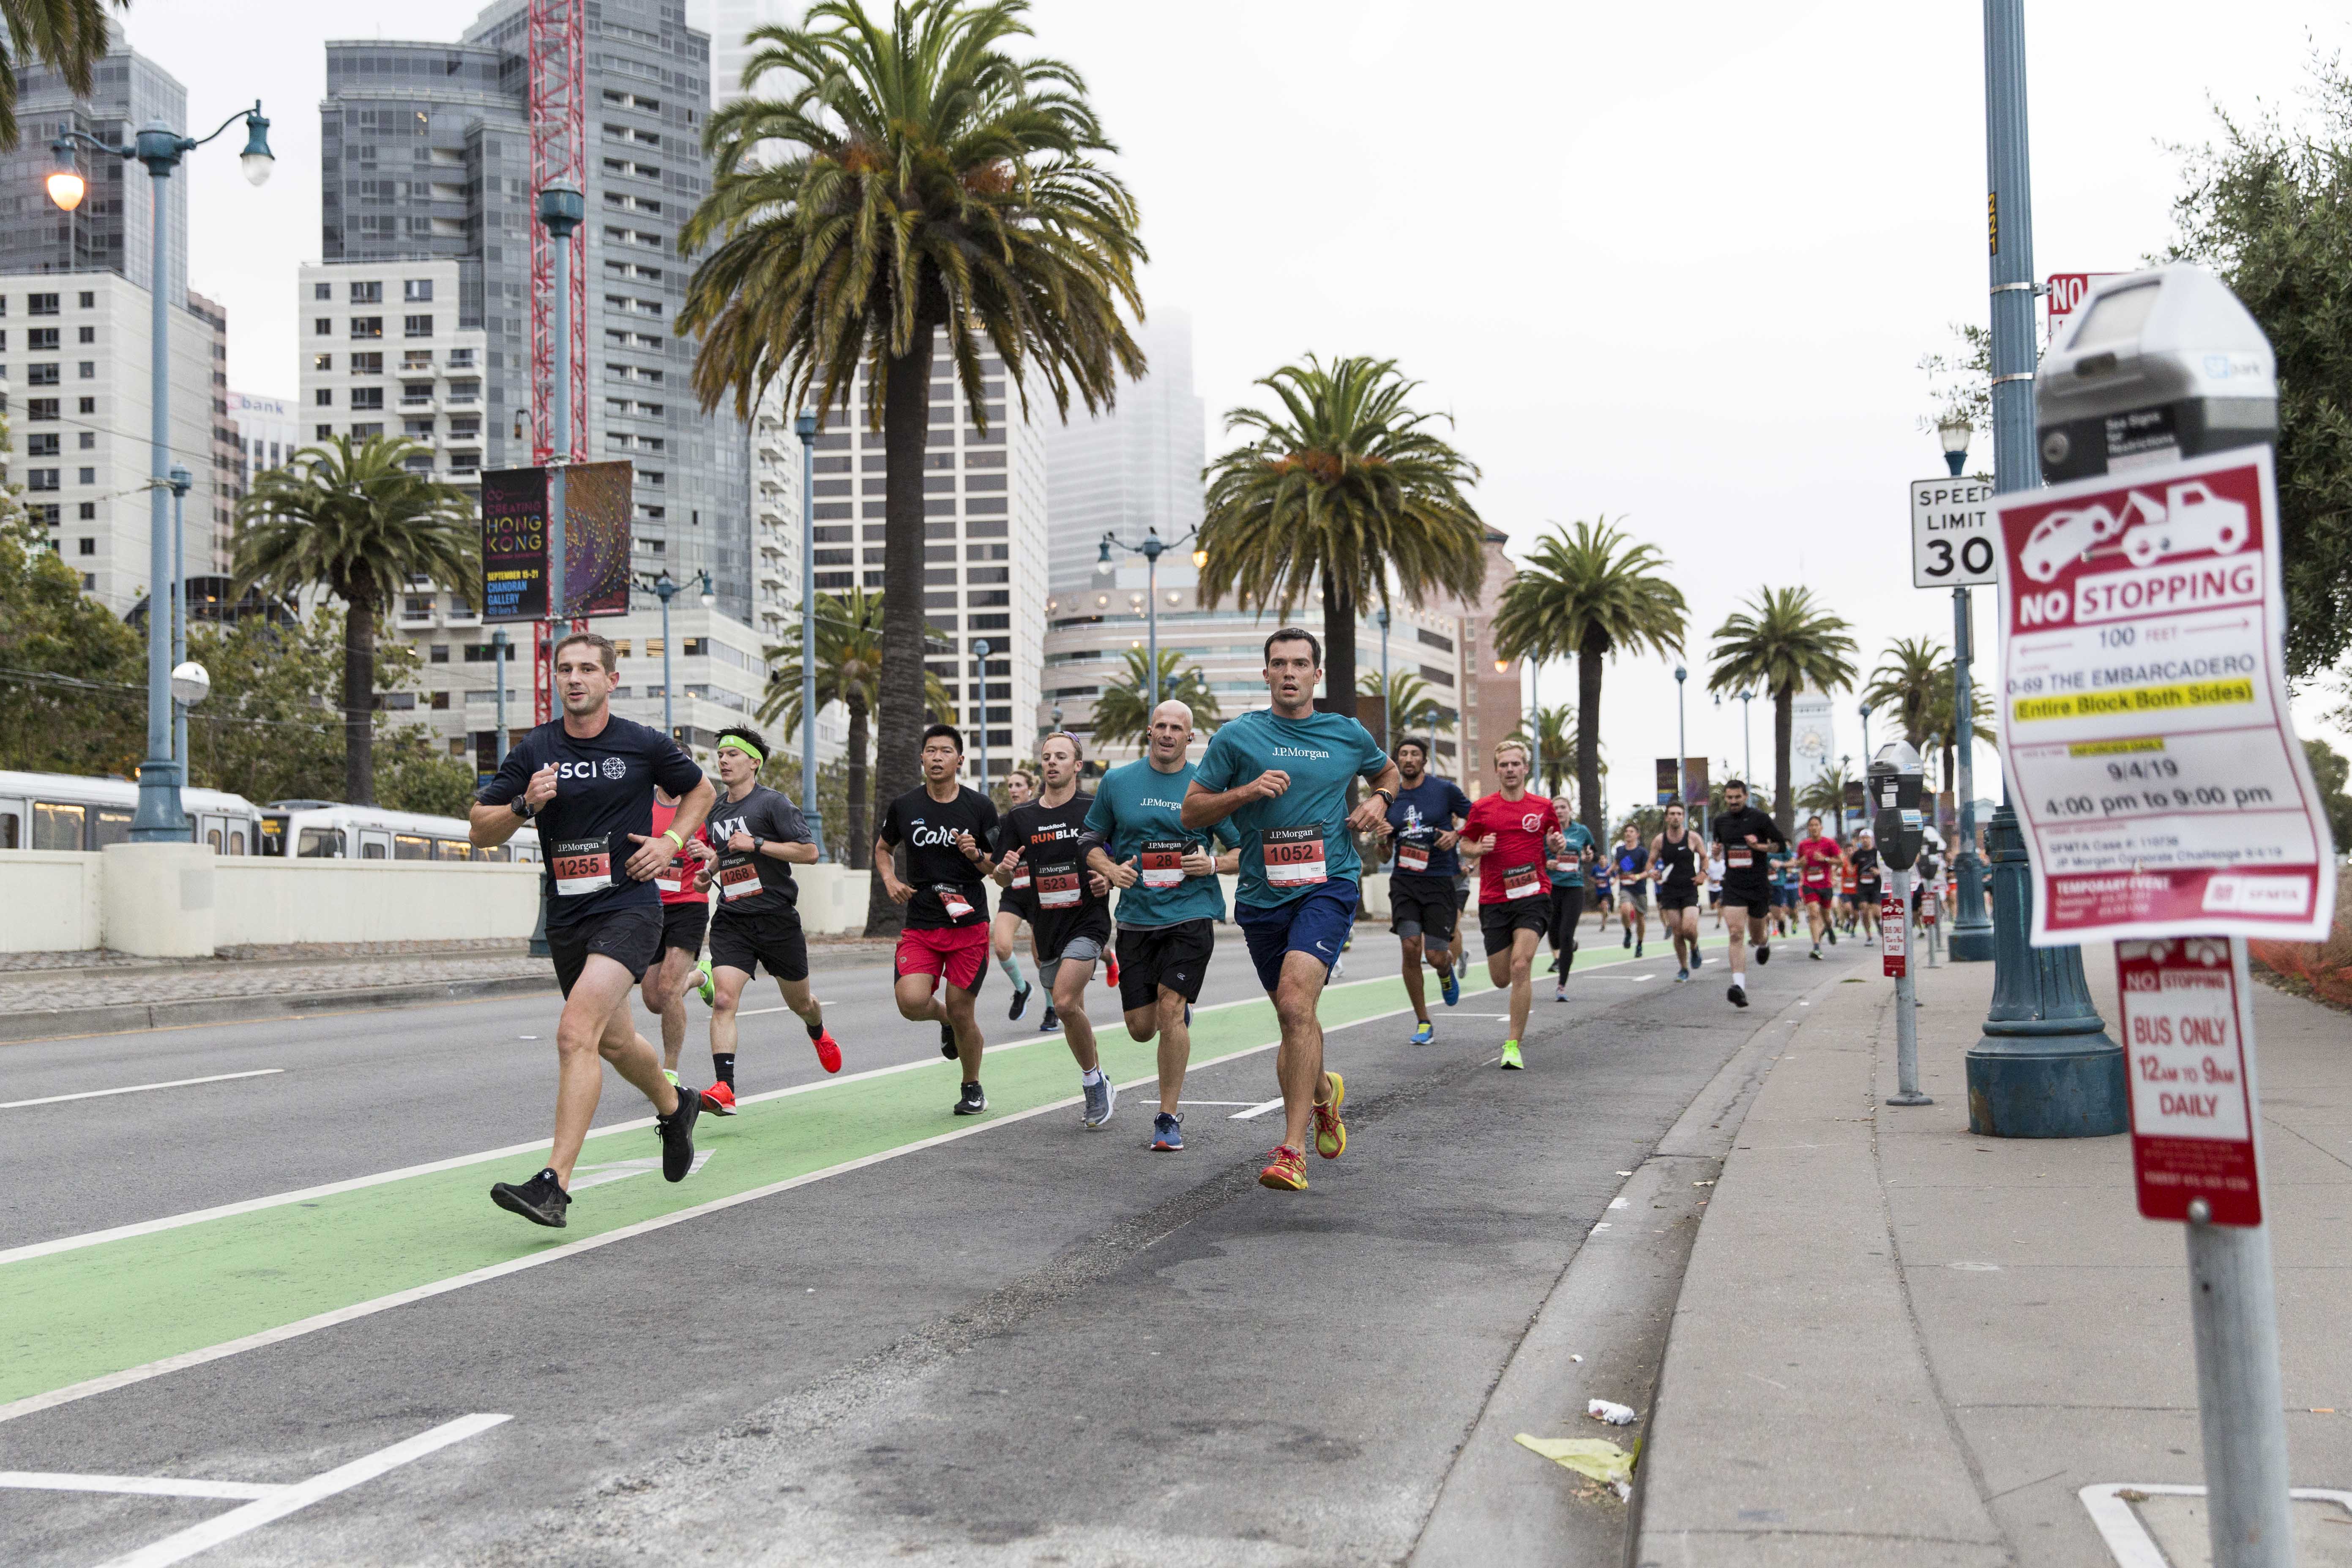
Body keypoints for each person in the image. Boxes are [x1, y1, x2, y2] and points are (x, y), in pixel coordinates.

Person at [470, 631, 711, 1228]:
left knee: (575, 1032)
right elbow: (479, 828)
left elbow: (700, 790)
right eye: (565, 669)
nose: (574, 678)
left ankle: (554, 1183)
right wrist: (524, 805)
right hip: (568, 917)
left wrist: (671, 842)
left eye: (586, 669)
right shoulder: (535, 750)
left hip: (630, 906)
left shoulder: (641, 743)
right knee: (615, 1041)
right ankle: (675, 1104)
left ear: (610, 680)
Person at [1183, 627, 1398, 1194]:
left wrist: (1379, 800)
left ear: (1316, 675)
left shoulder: (1345, 733)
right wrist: (1245, 793)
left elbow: (1387, 772)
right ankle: (1325, 1095)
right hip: (1260, 895)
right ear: (1266, 674)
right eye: (1278, 663)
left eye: (1300, 663)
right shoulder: (1238, 737)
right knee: (1291, 1016)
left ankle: (1291, 1149)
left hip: (1328, 884)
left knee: (1296, 1002)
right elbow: (1191, 812)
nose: (1288, 673)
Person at [1085, 699, 1243, 1150]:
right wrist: (1111, 869)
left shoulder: (1208, 787)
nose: (1169, 733)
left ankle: (1167, 1117)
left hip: (1190, 912)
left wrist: (1211, 863)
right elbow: (1091, 840)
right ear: (1150, 731)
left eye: (1179, 728)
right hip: (1136, 917)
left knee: (1170, 1008)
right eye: (1162, 726)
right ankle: (1174, 1011)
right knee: (1141, 1027)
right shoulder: (1118, 781)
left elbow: (1244, 850)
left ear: (1190, 737)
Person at [695, 725, 840, 1114]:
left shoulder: (773, 804)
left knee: (801, 1002)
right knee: (724, 999)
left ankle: (817, 1031)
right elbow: (724, 851)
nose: (723, 760)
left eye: (733, 755)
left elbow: (809, 852)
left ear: (754, 763)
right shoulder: (716, 810)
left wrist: (757, 843)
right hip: (732, 918)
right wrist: (709, 872)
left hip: (777, 920)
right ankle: (725, 1088)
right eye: (721, 754)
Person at [994, 732, 1119, 1127]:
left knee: (1064, 1001)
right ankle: (1098, 1072)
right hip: (1046, 924)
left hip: (1089, 919)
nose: (1051, 763)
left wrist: (1108, 880)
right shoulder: (1021, 817)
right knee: (1073, 1011)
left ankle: (1092, 1083)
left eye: (1060, 757)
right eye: (1046, 757)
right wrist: (1002, 871)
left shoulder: (1093, 808)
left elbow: (1115, 858)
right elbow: (1000, 875)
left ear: (1077, 766)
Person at [876, 723, 999, 1116]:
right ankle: (944, 1020)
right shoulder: (905, 806)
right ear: (922, 758)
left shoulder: (980, 807)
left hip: (969, 924)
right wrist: (890, 878)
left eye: (945, 751)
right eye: (930, 751)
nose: (937, 758)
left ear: (959, 760)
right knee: (910, 1002)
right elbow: (883, 848)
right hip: (922, 921)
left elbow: (1001, 870)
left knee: (965, 1010)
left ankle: (972, 1085)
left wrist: (976, 855)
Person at [1459, 741, 1565, 1070]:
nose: (1509, 770)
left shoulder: (1543, 807)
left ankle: (1512, 1046)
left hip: (1534, 895)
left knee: (1521, 966)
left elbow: (1556, 845)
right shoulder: (1482, 808)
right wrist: (1479, 848)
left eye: (1515, 764)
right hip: (1494, 899)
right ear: (1496, 770)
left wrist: (1555, 845)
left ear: (1524, 769)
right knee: (1501, 978)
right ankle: (1512, 1038)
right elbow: (1464, 846)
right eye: (1503, 765)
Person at [1370, 735, 1471, 1044]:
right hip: (1404, 881)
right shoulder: (1389, 797)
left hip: (1440, 880)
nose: (1409, 759)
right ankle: (1423, 1020)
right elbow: (1384, 855)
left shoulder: (1444, 791)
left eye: (1415, 754)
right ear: (1397, 761)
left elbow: (1477, 817)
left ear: (1424, 760)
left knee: (1436, 955)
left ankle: (1444, 972)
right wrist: (1381, 839)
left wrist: (1455, 835)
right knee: (1410, 946)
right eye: (1403, 754)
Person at [645, 782, 716, 1087]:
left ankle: (670, 1071)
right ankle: (701, 977)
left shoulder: (703, 808)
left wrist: (708, 854)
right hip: (648, 906)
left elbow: (725, 856)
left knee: (669, 989)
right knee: (653, 999)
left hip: (689, 905)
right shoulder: (642, 804)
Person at [1710, 779, 1789, 1009]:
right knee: (1736, 933)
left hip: (1757, 886)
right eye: (1729, 798)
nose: (1733, 802)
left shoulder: (1760, 819)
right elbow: (1718, 847)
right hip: (1733, 885)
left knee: (1756, 937)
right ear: (1725, 798)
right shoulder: (1720, 821)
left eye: (1738, 797)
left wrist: (1760, 847)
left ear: (1746, 797)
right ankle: (1739, 987)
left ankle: (1763, 944)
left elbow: (1781, 847)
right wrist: (1716, 851)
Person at [988, 768, 1043, 1024]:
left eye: (1018, 785)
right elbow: (993, 861)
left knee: (1042, 959)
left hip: (1040, 896)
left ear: (1030, 788)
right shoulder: (1002, 822)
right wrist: (987, 863)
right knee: (1001, 946)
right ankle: (1022, 989)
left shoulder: (1040, 816)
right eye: (1010, 785)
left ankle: (1052, 1009)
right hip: (1012, 894)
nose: (1013, 790)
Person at [1545, 795, 1595, 1003]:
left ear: (1570, 810)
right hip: (1552, 887)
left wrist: (1588, 856)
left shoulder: (1581, 831)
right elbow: (1535, 855)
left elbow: (1591, 849)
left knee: (1565, 935)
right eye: (1556, 808)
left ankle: (1562, 985)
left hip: (1574, 888)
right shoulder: (1546, 832)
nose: (1560, 811)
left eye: (1563, 807)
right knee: (1553, 934)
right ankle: (1569, 945)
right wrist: (1547, 863)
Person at [1650, 800, 1705, 982]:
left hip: (1690, 889)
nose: (1676, 817)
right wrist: (1653, 872)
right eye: (1672, 814)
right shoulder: (1660, 840)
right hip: (1670, 891)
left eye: (1679, 814)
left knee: (1689, 929)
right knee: (1678, 932)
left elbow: (1705, 857)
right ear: (1667, 818)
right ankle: (1683, 969)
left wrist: (1703, 874)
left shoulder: (1693, 838)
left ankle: (1695, 947)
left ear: (1683, 817)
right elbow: (1650, 862)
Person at [1795, 814, 1846, 960]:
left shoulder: (1829, 843)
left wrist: (1825, 859)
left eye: (1816, 825)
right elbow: (1798, 863)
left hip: (1825, 885)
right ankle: (1817, 947)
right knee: (1813, 913)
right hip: (1809, 885)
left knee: (1826, 916)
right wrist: (1801, 863)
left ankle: (1829, 928)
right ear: (1808, 828)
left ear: (1821, 827)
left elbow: (1841, 862)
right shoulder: (1803, 845)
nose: (1814, 828)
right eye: (1811, 825)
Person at [1613, 822, 1651, 957]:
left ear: (1637, 835)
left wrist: (1638, 876)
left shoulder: (1642, 852)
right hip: (1625, 888)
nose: (1628, 834)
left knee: (1640, 919)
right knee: (1625, 909)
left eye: (1631, 831)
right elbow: (1617, 865)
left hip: (1639, 888)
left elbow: (1648, 871)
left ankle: (1640, 945)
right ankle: (1628, 931)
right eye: (1627, 831)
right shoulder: (1620, 850)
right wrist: (1611, 875)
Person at [1850, 828, 1881, 947]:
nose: (1865, 841)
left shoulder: (1877, 853)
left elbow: (1885, 869)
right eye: (1863, 838)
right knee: (1864, 910)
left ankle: (1879, 924)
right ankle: (1869, 936)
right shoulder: (1858, 854)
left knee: (1876, 913)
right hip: (1862, 886)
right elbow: (1851, 866)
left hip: (1875, 886)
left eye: (1867, 838)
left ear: (1872, 840)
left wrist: (1878, 872)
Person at [1705, 841, 1726, 929]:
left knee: (1720, 904)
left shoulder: (1723, 863)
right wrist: (1710, 879)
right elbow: (1706, 874)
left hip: (1720, 887)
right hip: (1712, 888)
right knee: (1713, 907)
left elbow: (1726, 875)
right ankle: (1717, 906)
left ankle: (1718, 923)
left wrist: (1721, 880)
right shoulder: (1710, 863)